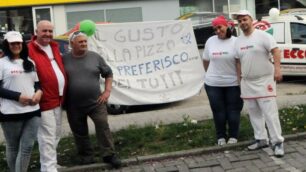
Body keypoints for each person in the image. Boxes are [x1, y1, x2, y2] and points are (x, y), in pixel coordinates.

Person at [63, 31, 121, 168]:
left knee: (102, 126)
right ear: (72, 44)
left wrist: (107, 91)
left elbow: (108, 73)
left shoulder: (95, 57)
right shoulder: (64, 59)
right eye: (80, 42)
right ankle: (86, 157)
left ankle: (109, 155)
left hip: (96, 102)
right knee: (79, 131)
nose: (84, 44)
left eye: (85, 41)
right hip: (73, 104)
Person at [232, 10, 284, 157]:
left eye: (245, 20)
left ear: (251, 19)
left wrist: (277, 70)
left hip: (264, 80)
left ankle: (278, 142)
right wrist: (239, 79)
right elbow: (237, 61)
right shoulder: (238, 41)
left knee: (270, 113)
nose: (242, 23)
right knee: (254, 112)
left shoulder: (263, 36)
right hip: (247, 81)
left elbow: (276, 51)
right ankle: (261, 139)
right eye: (240, 21)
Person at [0, 31, 42, 172]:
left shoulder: (30, 62)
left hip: (33, 111)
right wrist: (18, 97)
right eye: (12, 43)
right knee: (13, 146)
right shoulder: (1, 63)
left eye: (18, 43)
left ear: (22, 44)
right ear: (7, 45)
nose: (16, 45)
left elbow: (37, 84)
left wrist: (39, 92)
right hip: (11, 112)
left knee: (28, 147)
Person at [28, 20, 67, 172]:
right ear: (36, 31)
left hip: (58, 99)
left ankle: (50, 163)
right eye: (44, 31)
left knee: (56, 134)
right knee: (47, 138)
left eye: (50, 31)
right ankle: (48, 169)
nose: (48, 34)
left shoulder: (54, 47)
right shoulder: (29, 49)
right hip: (43, 101)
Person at [203, 16, 243, 146]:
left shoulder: (236, 41)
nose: (217, 31)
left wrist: (240, 81)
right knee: (218, 111)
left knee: (233, 110)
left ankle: (233, 136)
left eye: (219, 27)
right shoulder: (210, 41)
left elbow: (239, 62)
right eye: (215, 29)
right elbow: (206, 60)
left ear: (227, 26)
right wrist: (210, 74)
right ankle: (220, 136)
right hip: (213, 84)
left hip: (233, 83)